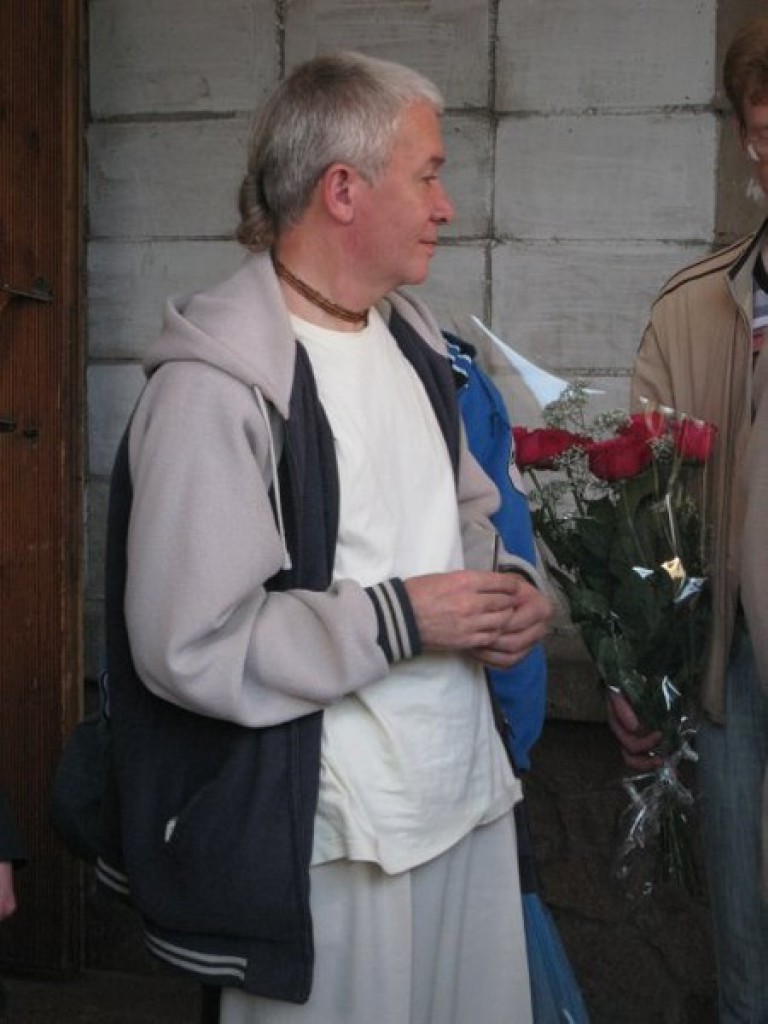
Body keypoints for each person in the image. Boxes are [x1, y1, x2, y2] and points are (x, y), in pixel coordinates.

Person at [97, 52, 553, 1024]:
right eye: (427, 176)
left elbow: (463, 515)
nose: (446, 207)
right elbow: (188, 642)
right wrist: (399, 618)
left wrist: (506, 585)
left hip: (464, 800)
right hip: (328, 841)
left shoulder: (414, 341)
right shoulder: (216, 383)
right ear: (343, 190)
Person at [607, 18, 768, 1022]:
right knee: (747, 974)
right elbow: (651, 521)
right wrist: (641, 663)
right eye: (767, 132)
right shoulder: (693, 310)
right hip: (734, 683)